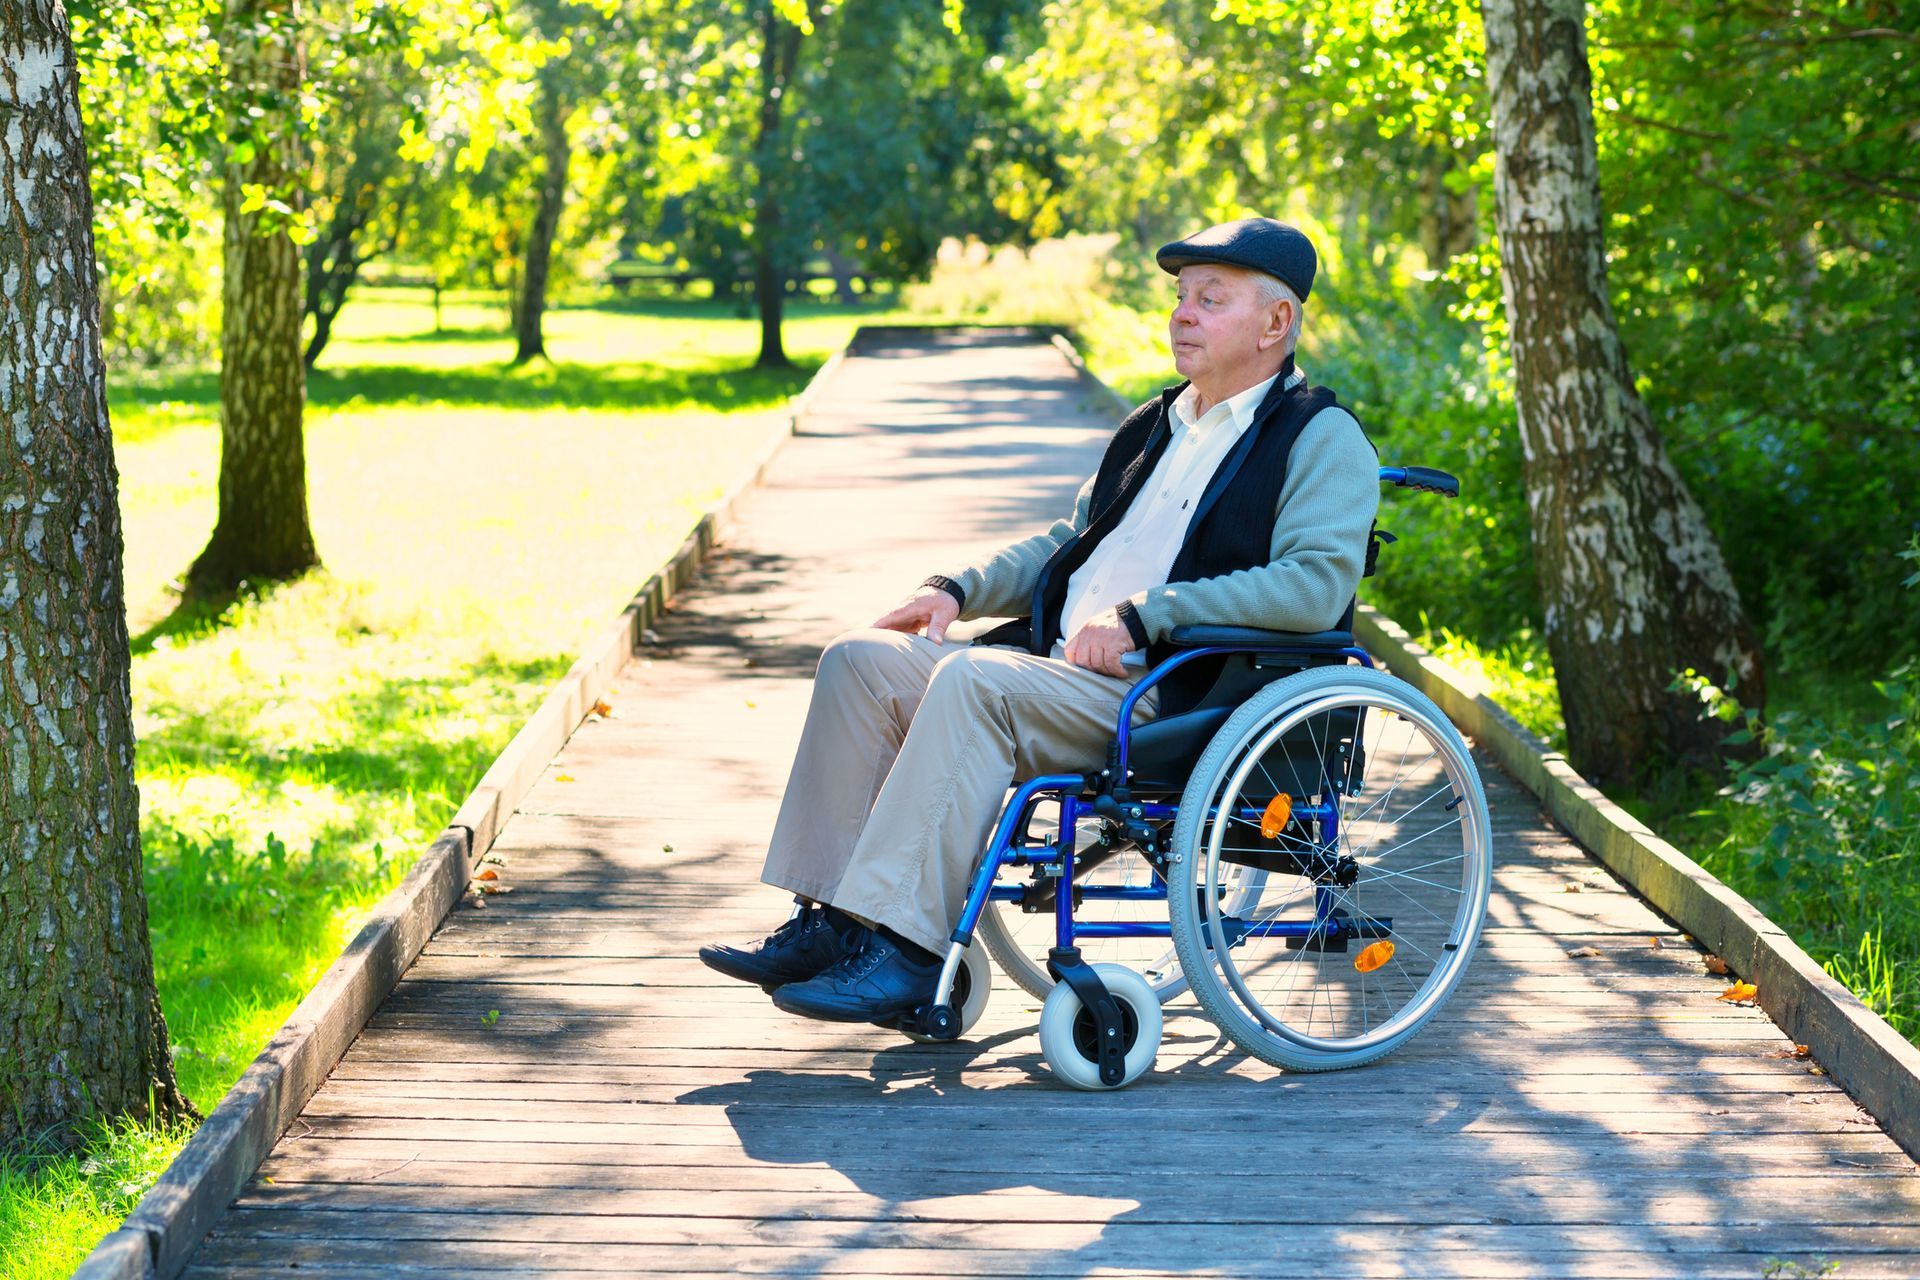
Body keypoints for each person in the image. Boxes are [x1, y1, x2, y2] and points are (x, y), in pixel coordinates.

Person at [699, 216, 1380, 1023]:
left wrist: (1148, 615)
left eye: (1211, 299)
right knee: (859, 662)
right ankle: (832, 921)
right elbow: (1071, 545)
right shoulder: (1157, 424)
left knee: (975, 679)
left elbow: (1312, 584)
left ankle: (910, 953)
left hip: (1171, 698)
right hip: (1055, 672)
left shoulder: (1320, 437)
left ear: (1277, 323)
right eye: (1180, 297)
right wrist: (957, 589)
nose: (1182, 314)